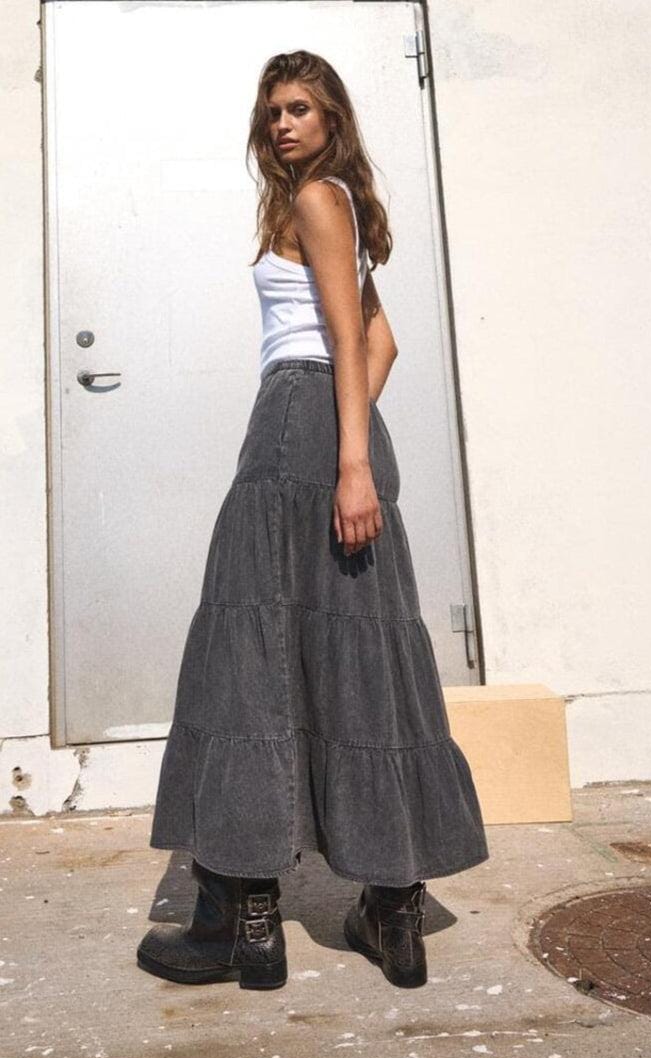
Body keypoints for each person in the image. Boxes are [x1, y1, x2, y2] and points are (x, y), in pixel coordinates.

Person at [137, 49, 489, 991]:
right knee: (360, 663)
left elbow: (344, 338)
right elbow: (382, 340)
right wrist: (351, 439)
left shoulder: (316, 200)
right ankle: (390, 908)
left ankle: (239, 922)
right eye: (272, 111)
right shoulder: (335, 203)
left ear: (331, 116)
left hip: (301, 425)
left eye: (299, 107)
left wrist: (347, 461)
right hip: (327, 429)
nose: (282, 123)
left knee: (247, 662)